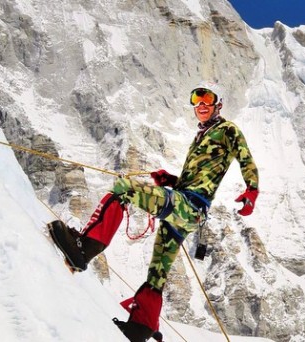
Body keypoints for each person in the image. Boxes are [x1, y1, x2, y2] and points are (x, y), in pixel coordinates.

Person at [48, 82, 259, 342]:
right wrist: (171, 180)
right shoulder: (203, 135)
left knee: (124, 189)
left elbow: (245, 158)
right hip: (189, 208)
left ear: (219, 103)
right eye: (196, 99)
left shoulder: (227, 130)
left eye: (207, 99)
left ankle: (83, 248)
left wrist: (252, 190)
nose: (201, 104)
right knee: (159, 267)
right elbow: (200, 179)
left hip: (188, 206)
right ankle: (142, 327)